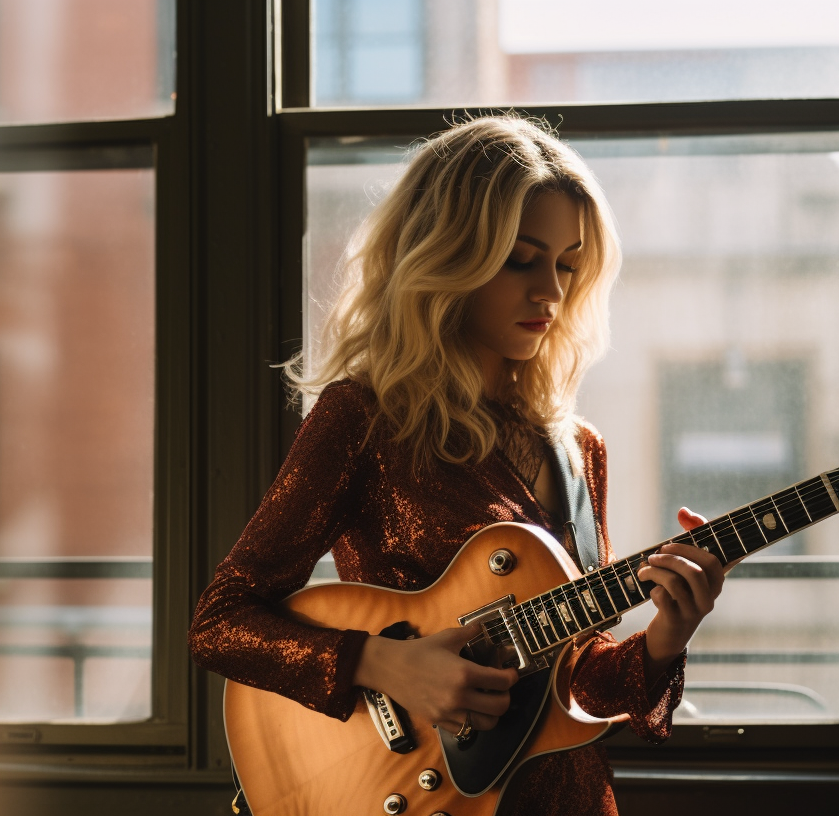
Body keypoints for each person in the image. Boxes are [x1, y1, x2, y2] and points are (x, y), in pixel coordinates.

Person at [189, 114, 726, 815]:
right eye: (521, 259)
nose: (552, 293)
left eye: (567, 264)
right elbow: (221, 622)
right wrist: (387, 666)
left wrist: (665, 635)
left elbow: (577, 685)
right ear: (448, 256)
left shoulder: (578, 446)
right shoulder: (365, 418)